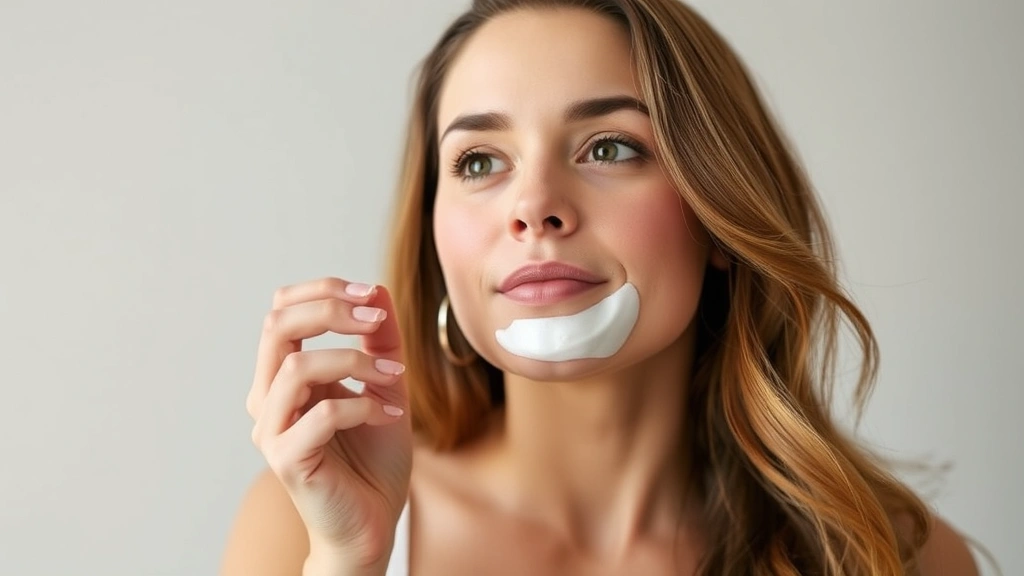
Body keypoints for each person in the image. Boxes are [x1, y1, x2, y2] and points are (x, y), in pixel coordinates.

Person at [221, 1, 983, 574]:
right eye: (481, 162)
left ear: (718, 215)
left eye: (610, 147)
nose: (534, 207)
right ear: (432, 233)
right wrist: (346, 558)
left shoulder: (896, 554)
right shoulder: (301, 528)